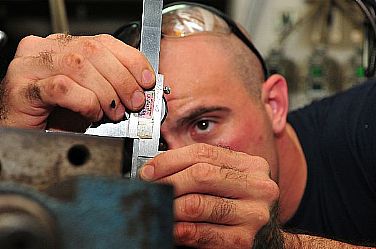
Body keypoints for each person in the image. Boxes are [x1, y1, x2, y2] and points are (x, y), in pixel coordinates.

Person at [0, 2, 375, 248]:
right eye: (155, 143)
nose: (179, 165)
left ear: (274, 104)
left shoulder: (364, 129)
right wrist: (13, 150)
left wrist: (281, 245)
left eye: (204, 124)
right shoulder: (132, 204)